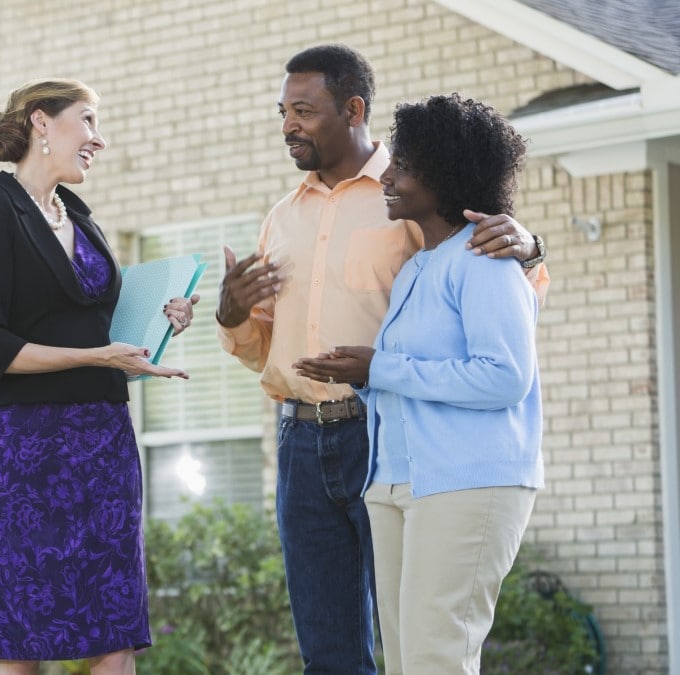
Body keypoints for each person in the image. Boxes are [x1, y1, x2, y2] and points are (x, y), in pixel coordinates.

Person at [215, 44, 548, 674]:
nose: (288, 125)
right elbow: (261, 347)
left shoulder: (420, 197)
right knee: (335, 651)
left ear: (353, 109)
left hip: (391, 432)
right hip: (301, 440)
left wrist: (530, 247)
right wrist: (230, 315)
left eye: (304, 111)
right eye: (283, 111)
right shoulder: (282, 219)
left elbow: (502, 304)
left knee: (426, 645)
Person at [0, 78, 197, 675]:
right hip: (30, 452)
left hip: (104, 442)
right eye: (87, 121)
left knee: (112, 630)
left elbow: (92, 323)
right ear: (42, 122)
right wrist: (95, 356)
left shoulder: (81, 218)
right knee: (23, 636)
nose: (99, 139)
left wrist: (161, 317)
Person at [293, 93, 543, 673]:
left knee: (438, 655)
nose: (388, 177)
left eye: (401, 166)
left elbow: (505, 378)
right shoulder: (416, 268)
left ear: (444, 173)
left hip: (466, 481)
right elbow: (408, 383)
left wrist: (378, 368)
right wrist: (355, 376)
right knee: (407, 659)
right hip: (397, 483)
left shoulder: (484, 260)